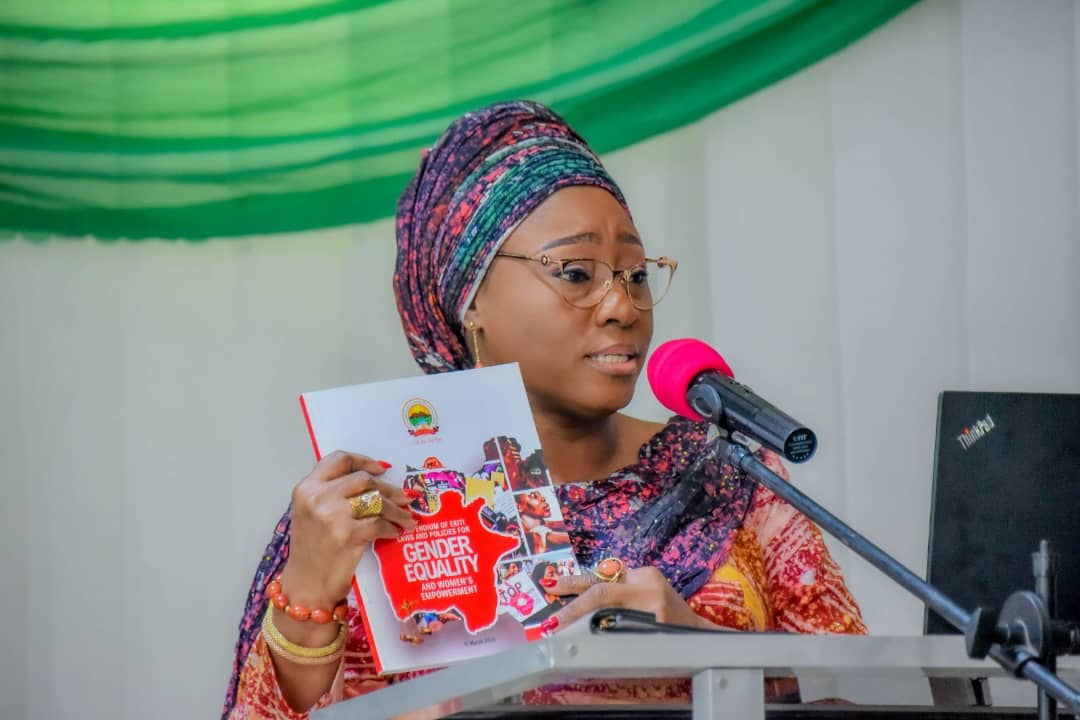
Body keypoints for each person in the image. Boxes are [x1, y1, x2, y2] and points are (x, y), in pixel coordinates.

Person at [224, 100, 866, 718]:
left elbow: (860, 698)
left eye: (636, 274)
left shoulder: (729, 480)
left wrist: (703, 648)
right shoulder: (373, 502)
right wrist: (307, 589)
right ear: (469, 300)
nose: (622, 306)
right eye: (576, 272)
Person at [515, 489, 572, 554]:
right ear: (519, 507)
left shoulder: (547, 524)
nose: (543, 499)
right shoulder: (533, 534)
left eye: (540, 495)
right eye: (533, 496)